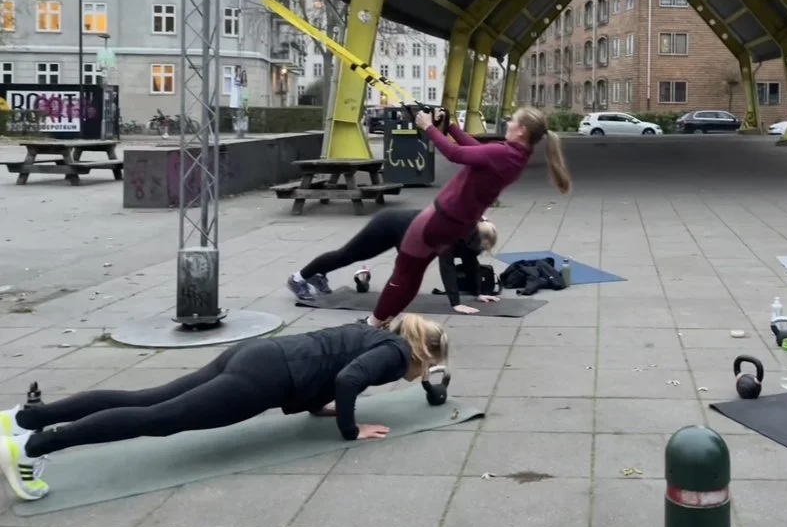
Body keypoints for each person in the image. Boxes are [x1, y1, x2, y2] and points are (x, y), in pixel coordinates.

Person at [0, 315, 448, 501]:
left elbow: (332, 363)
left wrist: (320, 409)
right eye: (432, 365)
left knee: (148, 399)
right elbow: (348, 379)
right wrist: (351, 429)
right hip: (266, 378)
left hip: (260, 355)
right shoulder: (394, 356)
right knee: (160, 419)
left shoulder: (380, 336)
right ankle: (33, 448)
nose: (426, 374)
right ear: (423, 355)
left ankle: (24, 418)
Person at [366, 107, 571, 328]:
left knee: (406, 272)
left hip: (444, 217)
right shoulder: (515, 154)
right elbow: (477, 150)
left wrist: (428, 127)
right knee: (410, 271)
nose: (508, 123)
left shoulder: (504, 153)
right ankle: (381, 320)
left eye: (512, 121)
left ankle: (374, 322)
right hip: (458, 220)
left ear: (521, 130)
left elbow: (455, 154)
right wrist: (450, 126)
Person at [286, 208, 500, 314]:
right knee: (348, 255)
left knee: (407, 272)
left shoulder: (468, 233)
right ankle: (299, 278)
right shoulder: (449, 234)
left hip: (409, 233)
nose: (480, 251)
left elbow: (471, 263)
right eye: (481, 246)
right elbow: (447, 268)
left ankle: (318, 276)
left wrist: (479, 293)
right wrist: (456, 304)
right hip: (389, 225)